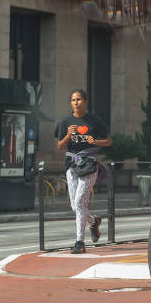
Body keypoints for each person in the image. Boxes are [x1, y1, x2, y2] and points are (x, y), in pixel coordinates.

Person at [55, 89, 112, 254]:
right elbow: (60, 145)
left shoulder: (94, 121)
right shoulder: (65, 122)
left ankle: (80, 242)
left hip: (88, 163)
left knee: (80, 202)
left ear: (85, 102)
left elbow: (108, 141)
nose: (76, 103)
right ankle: (94, 221)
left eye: (79, 99)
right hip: (71, 165)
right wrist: (67, 135)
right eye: (73, 100)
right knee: (75, 206)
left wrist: (95, 141)